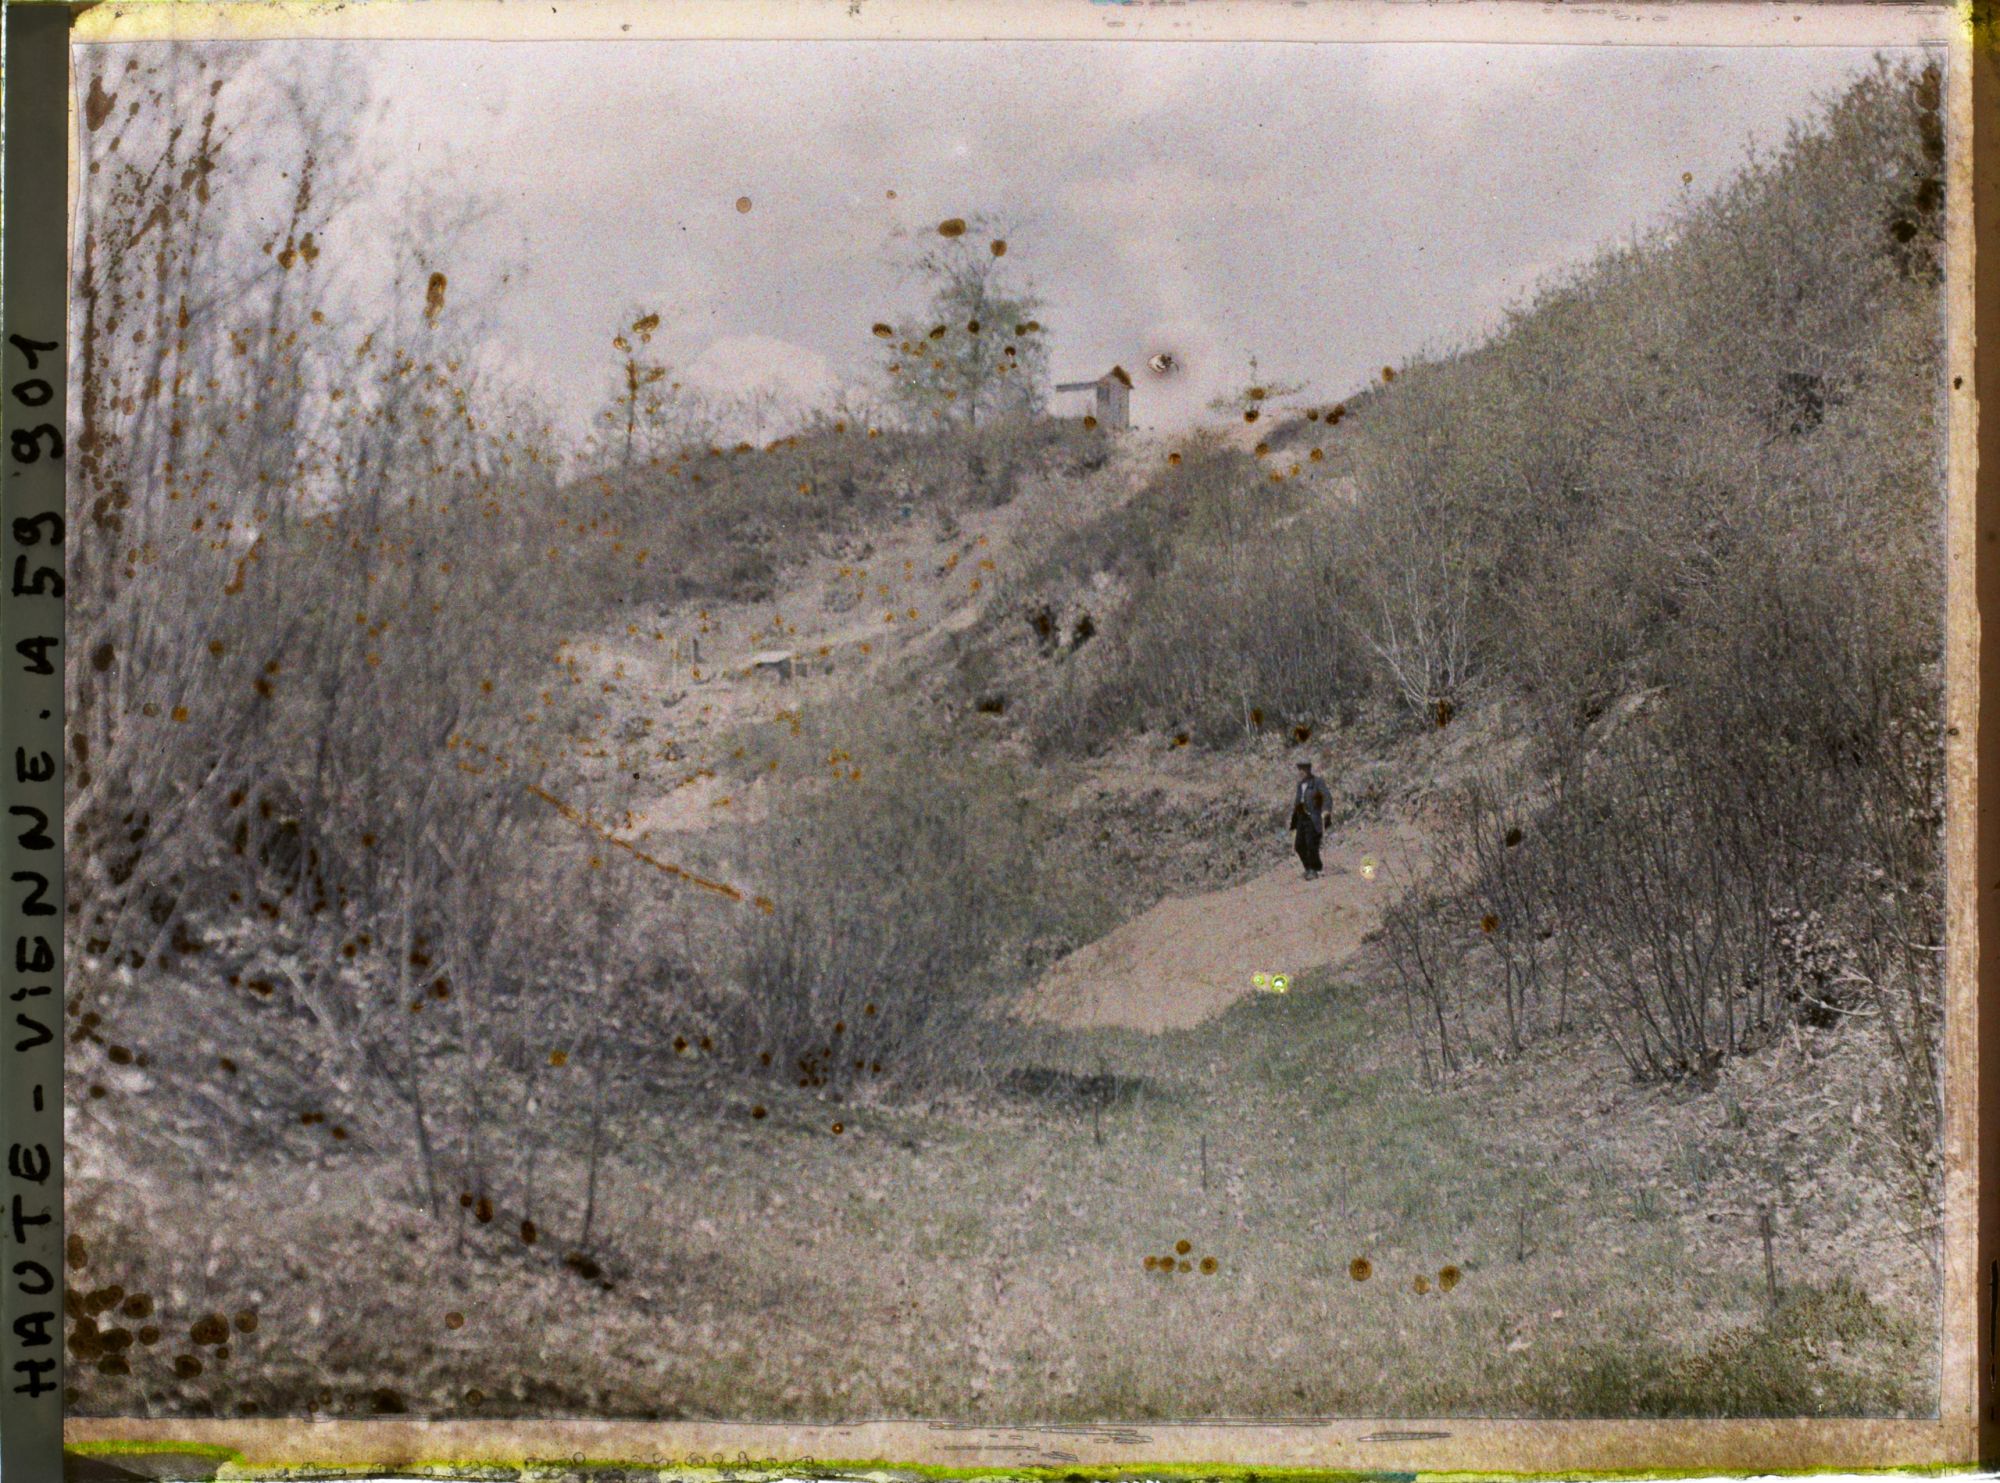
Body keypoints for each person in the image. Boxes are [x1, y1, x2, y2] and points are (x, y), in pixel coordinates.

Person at [1290, 759, 1333, 879]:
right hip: (1301, 819)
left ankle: (1314, 869)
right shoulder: (1300, 785)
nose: (1301, 772)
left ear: (1309, 769)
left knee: (1311, 844)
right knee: (1299, 845)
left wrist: (1326, 810)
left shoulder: (1317, 782)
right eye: (1300, 769)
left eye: (1303, 769)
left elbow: (1327, 796)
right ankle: (1309, 867)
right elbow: (1298, 802)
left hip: (1312, 817)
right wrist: (1294, 822)